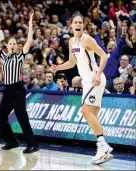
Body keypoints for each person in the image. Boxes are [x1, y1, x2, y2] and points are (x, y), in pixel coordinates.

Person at [51, 12, 113, 165]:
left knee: (85, 111)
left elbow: (104, 56)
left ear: (83, 25)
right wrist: (58, 67)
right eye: (75, 22)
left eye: (80, 22)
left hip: (94, 78)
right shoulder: (72, 41)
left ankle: (103, 145)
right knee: (92, 115)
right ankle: (101, 148)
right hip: (86, 81)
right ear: (71, 25)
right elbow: (72, 63)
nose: (78, 25)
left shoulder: (87, 39)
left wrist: (98, 75)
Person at [0, 13, 39, 153]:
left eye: (14, 44)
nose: (12, 45)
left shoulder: (20, 55)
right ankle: (11, 142)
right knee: (1, 118)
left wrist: (30, 25)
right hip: (7, 89)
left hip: (18, 89)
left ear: (17, 46)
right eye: (10, 43)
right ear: (7, 45)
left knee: (21, 117)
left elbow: (29, 41)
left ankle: (33, 144)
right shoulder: (3, 56)